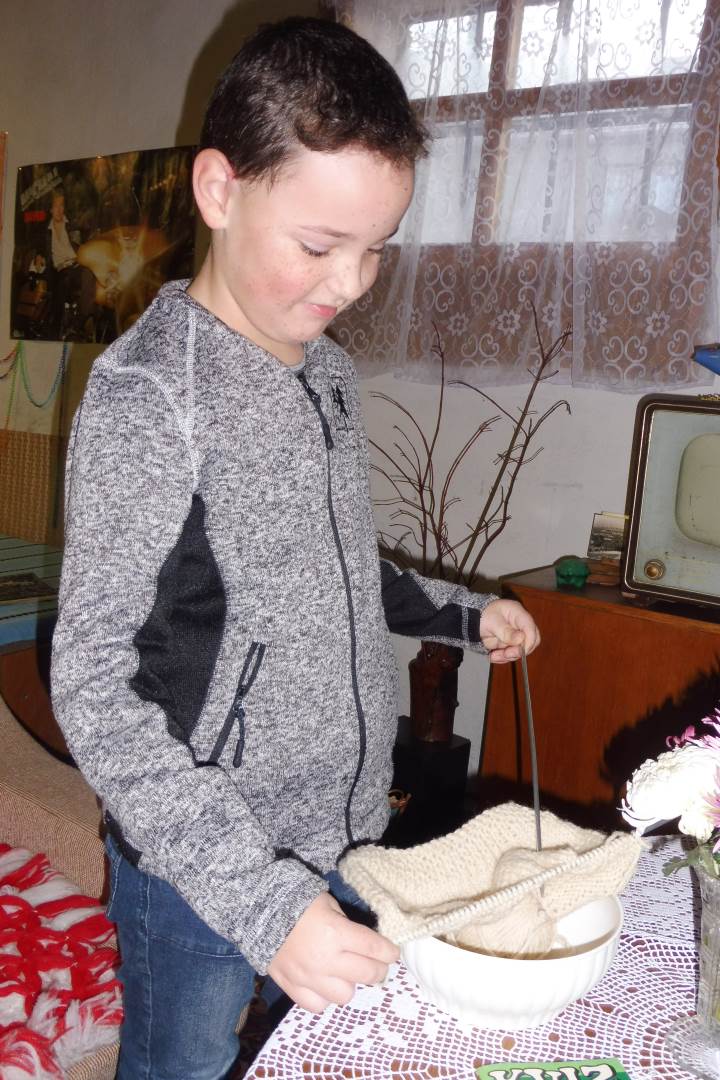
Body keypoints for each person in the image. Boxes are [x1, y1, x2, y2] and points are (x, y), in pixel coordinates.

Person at [51, 16, 540, 1080]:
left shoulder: (326, 373)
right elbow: (90, 682)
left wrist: (465, 614)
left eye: (376, 249)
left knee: (312, 1055)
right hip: (200, 867)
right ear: (219, 191)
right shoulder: (148, 399)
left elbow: (339, 565)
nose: (351, 282)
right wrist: (264, 904)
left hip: (344, 834)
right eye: (320, 247)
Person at [46, 188, 96, 340]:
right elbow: (37, 248)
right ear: (50, 209)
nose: (59, 210)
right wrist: (39, 256)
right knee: (62, 283)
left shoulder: (72, 225)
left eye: (62, 205)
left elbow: (87, 238)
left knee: (88, 273)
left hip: (76, 266)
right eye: (56, 206)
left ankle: (80, 321)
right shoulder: (46, 232)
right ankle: (57, 328)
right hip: (59, 271)